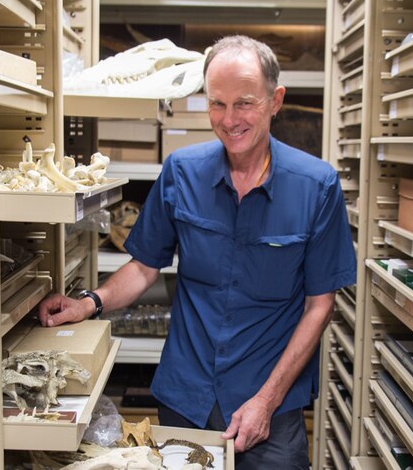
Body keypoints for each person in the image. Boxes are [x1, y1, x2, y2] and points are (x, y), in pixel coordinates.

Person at [38, 35, 357, 469]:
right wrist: (89, 304)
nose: (229, 120)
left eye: (244, 103)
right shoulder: (181, 171)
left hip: (270, 408)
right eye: (216, 104)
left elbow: (319, 305)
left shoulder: (316, 186)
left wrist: (267, 400)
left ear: (275, 100)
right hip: (186, 396)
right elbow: (145, 267)